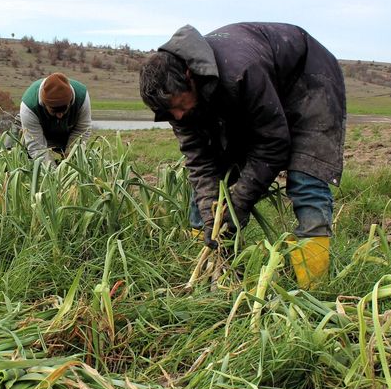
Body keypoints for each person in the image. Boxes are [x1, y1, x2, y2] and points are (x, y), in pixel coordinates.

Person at [139, 23, 346, 289]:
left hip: (308, 80)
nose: (177, 116)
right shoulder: (173, 100)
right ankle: (207, 273)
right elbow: (199, 161)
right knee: (211, 192)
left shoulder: (241, 71)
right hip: (253, 96)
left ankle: (314, 288)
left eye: (179, 106)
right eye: (171, 112)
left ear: (189, 76)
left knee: (306, 176)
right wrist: (209, 212)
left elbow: (272, 144)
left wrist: (239, 205)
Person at [19, 72, 92, 166]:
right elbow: (37, 147)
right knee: (14, 151)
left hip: (68, 129)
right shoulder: (28, 107)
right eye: (55, 111)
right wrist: (53, 173)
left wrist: (69, 160)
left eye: (64, 109)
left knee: (77, 160)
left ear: (70, 102)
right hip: (38, 131)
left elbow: (82, 130)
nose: (60, 115)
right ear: (45, 104)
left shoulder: (82, 96)